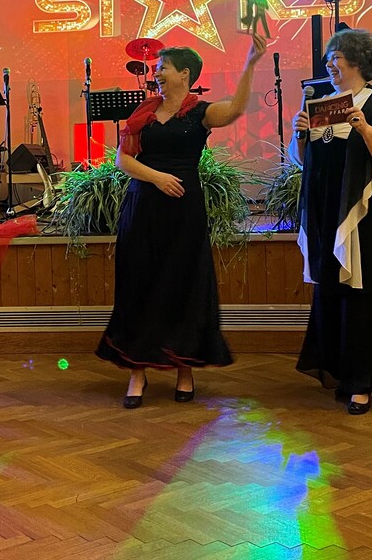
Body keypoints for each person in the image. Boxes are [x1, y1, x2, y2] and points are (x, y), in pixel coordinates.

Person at [96, 34, 267, 407]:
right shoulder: (144, 111)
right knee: (138, 287)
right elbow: (123, 160)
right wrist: (157, 178)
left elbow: (236, 109)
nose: (156, 73)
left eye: (163, 68)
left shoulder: (200, 112)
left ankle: (184, 369)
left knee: (184, 286)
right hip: (143, 208)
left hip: (184, 212)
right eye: (157, 68)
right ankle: (136, 372)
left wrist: (250, 63)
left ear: (185, 73)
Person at [290, 28, 372, 415]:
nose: (329, 64)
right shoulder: (322, 105)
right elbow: (305, 162)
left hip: (367, 220)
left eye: (336, 57)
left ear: (358, 61)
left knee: (363, 299)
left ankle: (363, 383)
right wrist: (300, 136)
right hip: (329, 215)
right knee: (332, 295)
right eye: (329, 58)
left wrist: (363, 127)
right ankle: (341, 372)